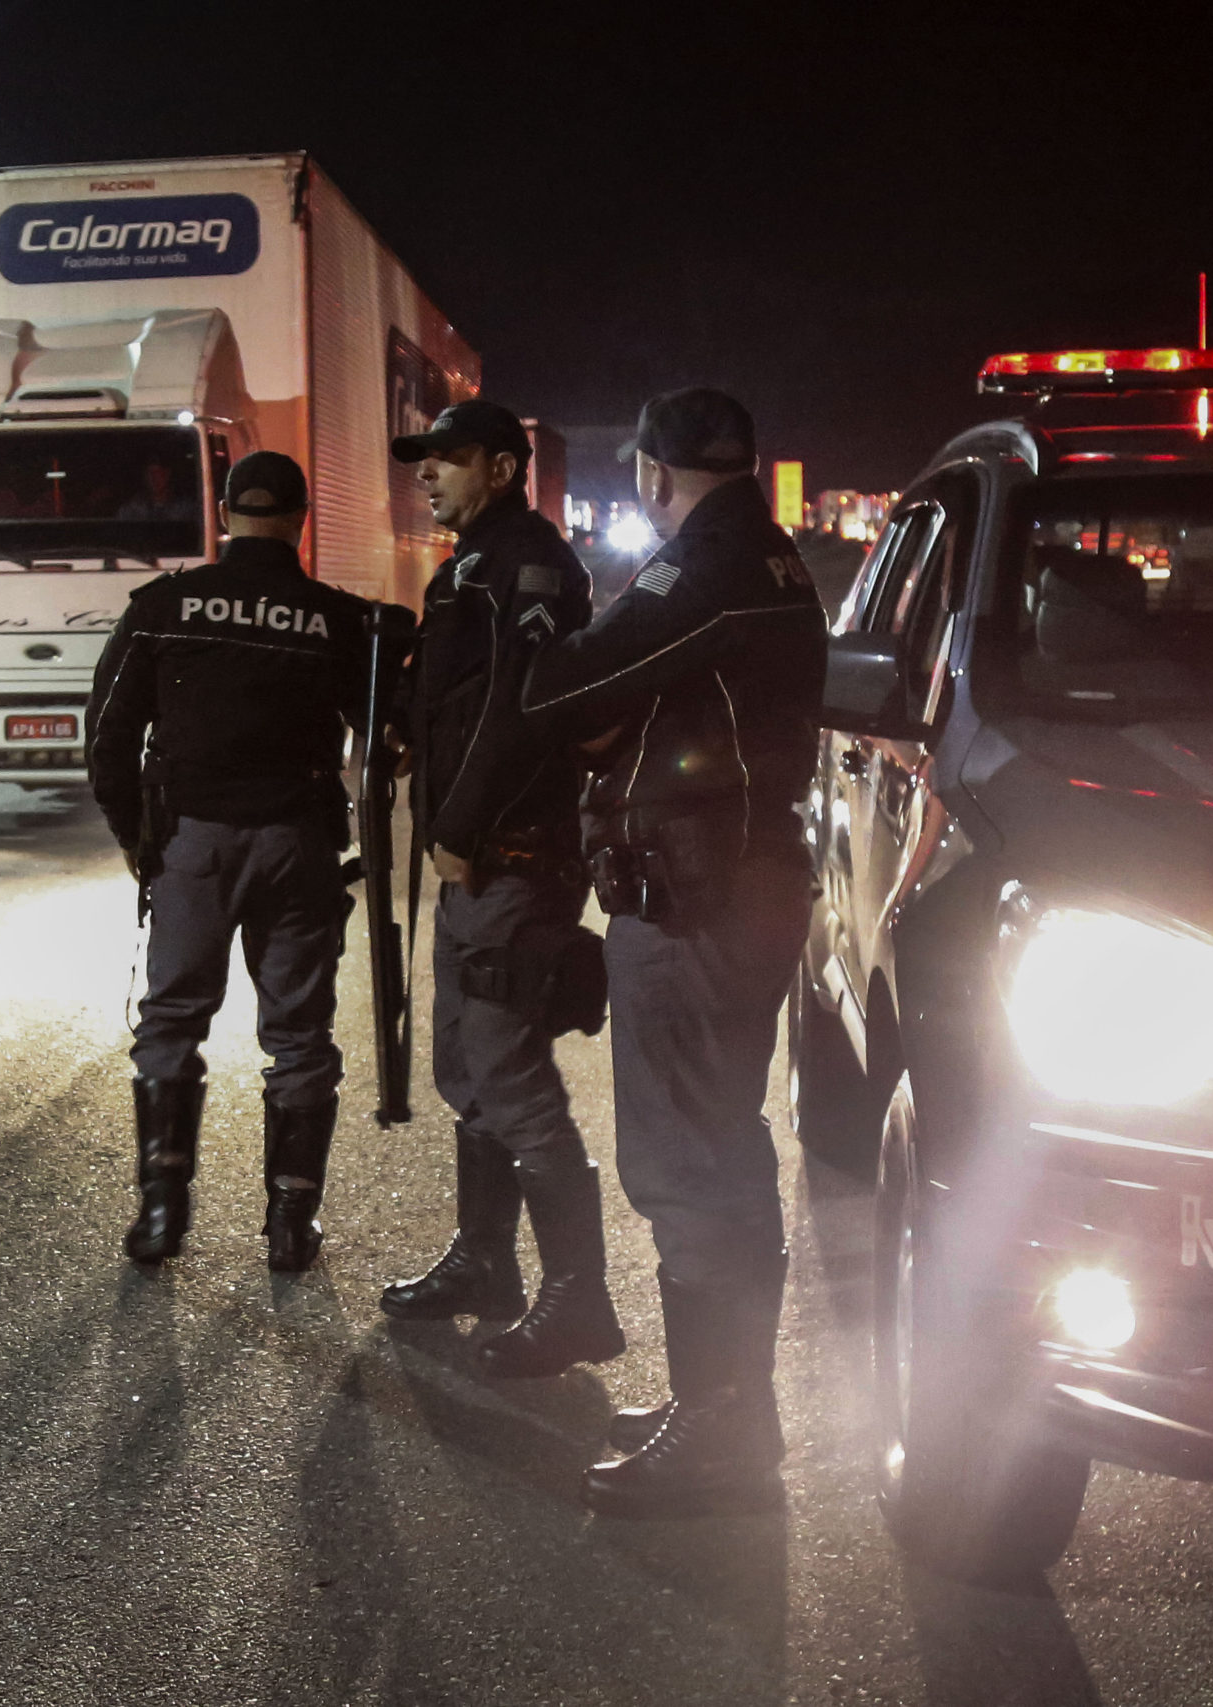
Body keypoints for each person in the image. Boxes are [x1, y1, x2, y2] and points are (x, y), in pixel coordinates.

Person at [519, 387, 829, 1517]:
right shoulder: (775, 557)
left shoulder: (704, 567)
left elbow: (564, 687)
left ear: (653, 473)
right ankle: (730, 1404)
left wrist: (545, 643)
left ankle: (720, 1428)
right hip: (745, 881)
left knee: (687, 1164)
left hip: (698, 898)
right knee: (726, 1149)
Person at [375, 400, 622, 1380]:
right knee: (468, 1071)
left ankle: (579, 1300)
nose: (428, 474)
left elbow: (520, 710)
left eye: (449, 459)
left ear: (504, 469)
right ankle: (486, 1264)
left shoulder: (527, 566)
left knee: (512, 1082)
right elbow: (457, 698)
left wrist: (461, 826)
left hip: (511, 858)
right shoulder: (470, 568)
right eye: (425, 460)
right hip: (478, 860)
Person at [85, 451, 375, 1272]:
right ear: (301, 520)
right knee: (300, 1036)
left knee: (171, 1023)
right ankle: (290, 1223)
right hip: (297, 845)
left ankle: (161, 1213)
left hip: (195, 844)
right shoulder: (335, 619)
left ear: (224, 516)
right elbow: (385, 730)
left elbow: (107, 732)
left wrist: (137, 838)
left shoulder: (164, 607)